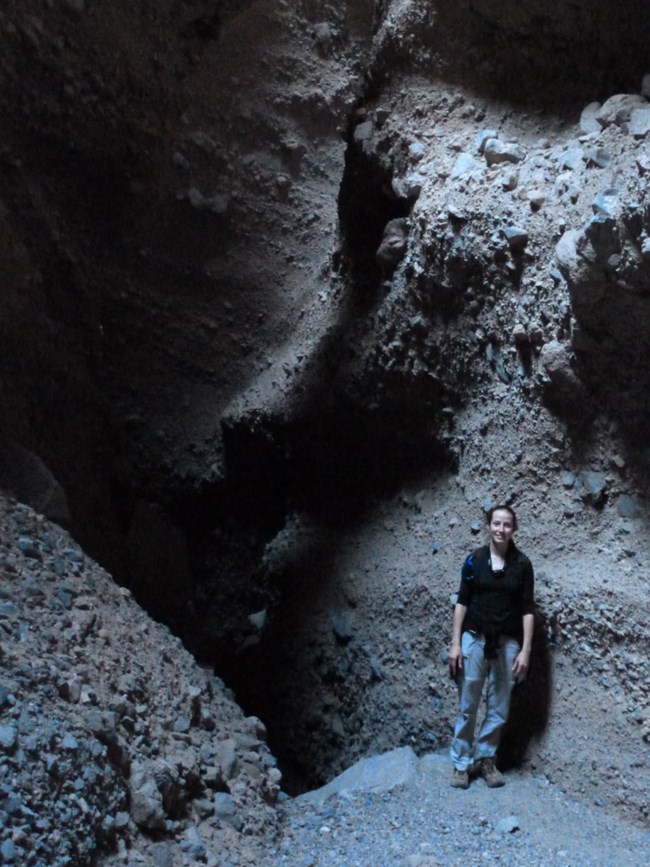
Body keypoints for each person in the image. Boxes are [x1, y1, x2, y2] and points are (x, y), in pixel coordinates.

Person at [448, 504, 535, 789]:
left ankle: (485, 759)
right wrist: (455, 644)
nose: (501, 529)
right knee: (468, 704)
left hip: (507, 642)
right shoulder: (474, 560)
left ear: (514, 529)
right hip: (474, 639)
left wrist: (526, 650)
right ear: (489, 526)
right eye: (496, 523)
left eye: (506, 524)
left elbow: (526, 609)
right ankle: (461, 764)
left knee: (499, 707)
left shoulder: (522, 565)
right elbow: (462, 601)